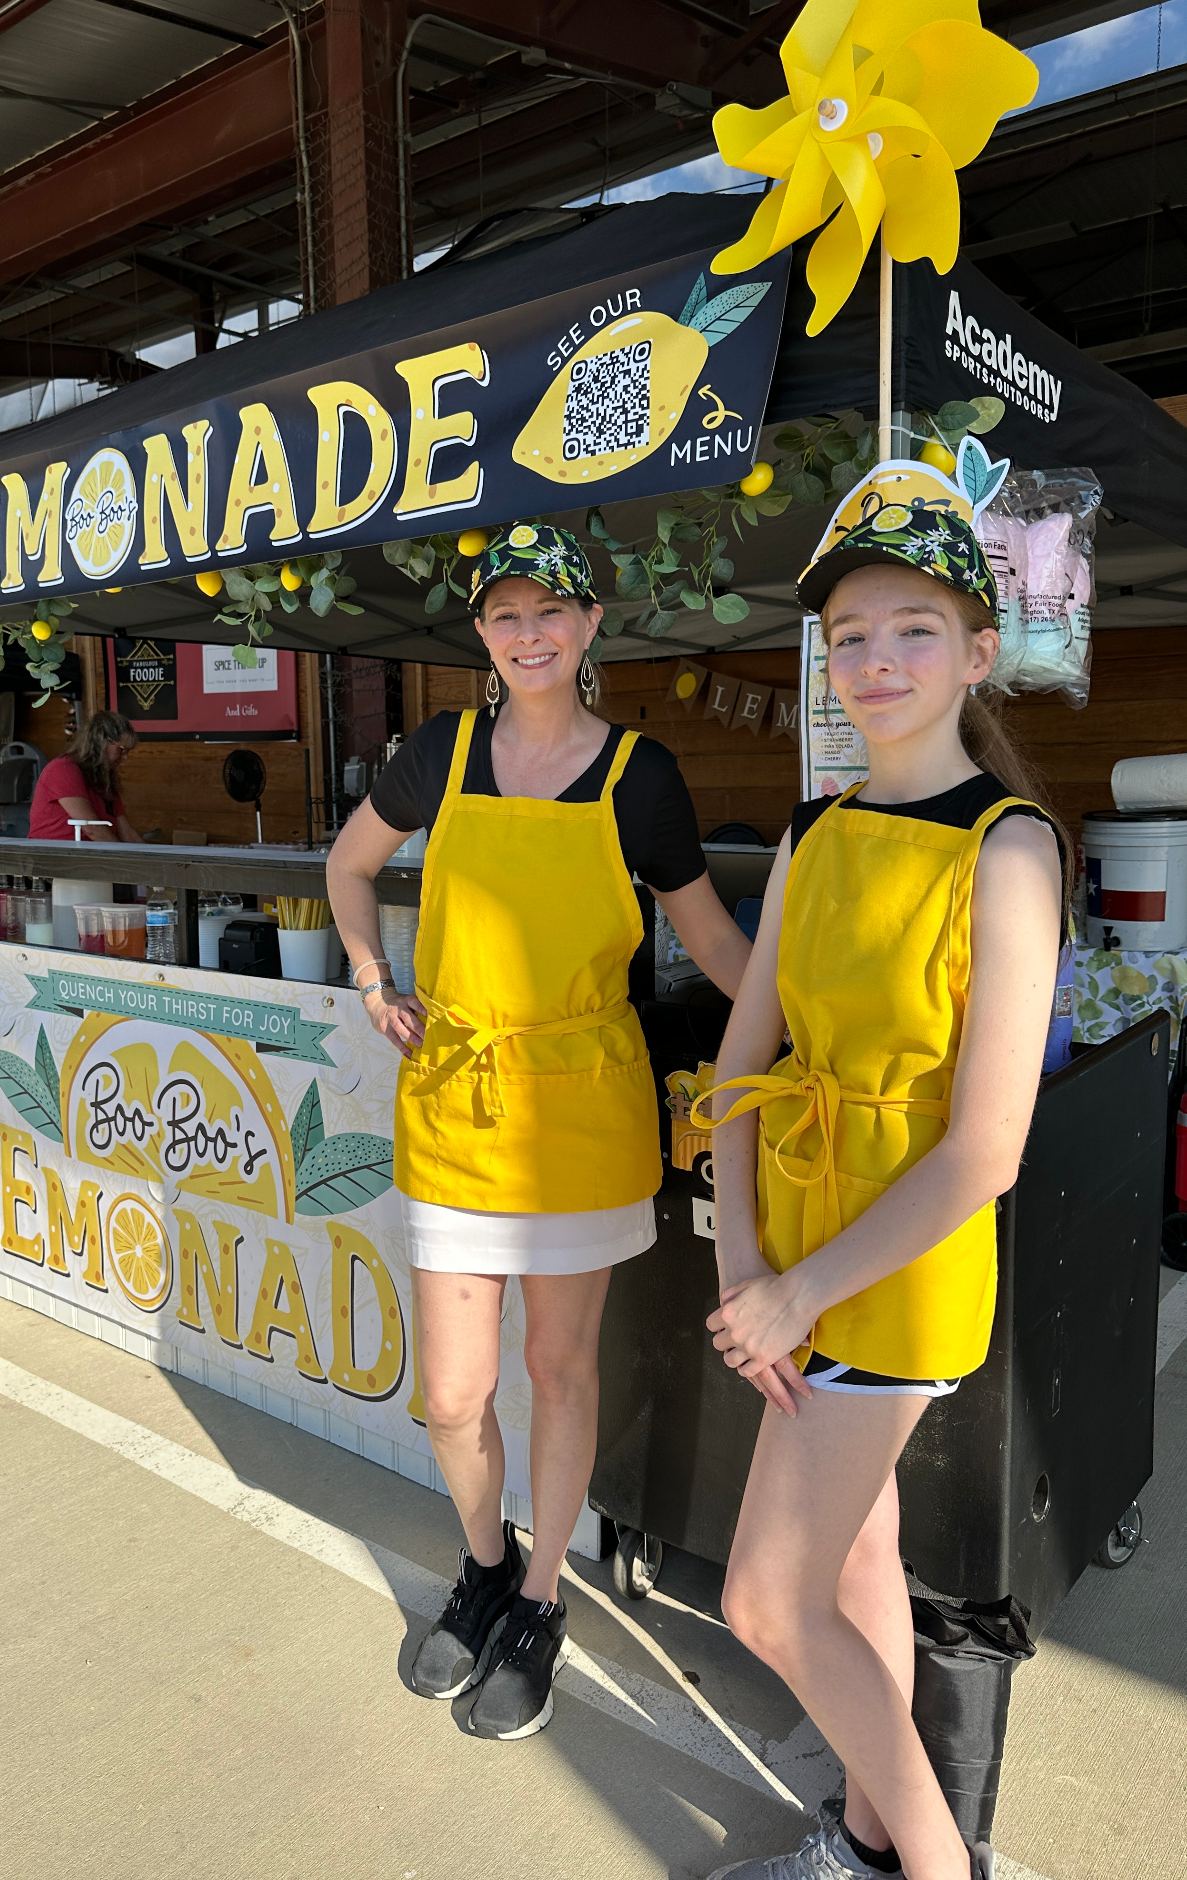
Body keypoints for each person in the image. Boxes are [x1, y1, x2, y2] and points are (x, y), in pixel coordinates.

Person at [327, 523, 750, 1740]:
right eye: (506, 614)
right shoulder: (437, 754)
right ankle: (485, 1561)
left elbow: (713, 940)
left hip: (581, 1104)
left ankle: (541, 1597)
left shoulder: (641, 777)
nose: (530, 633)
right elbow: (349, 867)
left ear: (590, 624)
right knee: (454, 1395)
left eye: (551, 610)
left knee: (561, 1372)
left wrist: (814, 1028)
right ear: (481, 632)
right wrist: (372, 979)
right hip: (458, 1101)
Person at [696, 496, 1067, 1880]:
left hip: (894, 1275)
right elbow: (742, 1061)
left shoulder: (1010, 847)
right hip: (792, 1256)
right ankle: (864, 1843)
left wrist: (793, 1294)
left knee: (765, 1602)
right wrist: (743, 1267)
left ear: (977, 653)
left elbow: (986, 1151)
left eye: (914, 629)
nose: (875, 659)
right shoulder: (818, 831)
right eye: (849, 635)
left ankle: (935, 1866)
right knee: (854, 1565)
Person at [29, 710, 142, 842]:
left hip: (86, 851)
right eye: (121, 750)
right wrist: (122, 855)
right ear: (101, 743)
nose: (125, 757)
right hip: (54, 852)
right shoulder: (62, 769)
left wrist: (150, 854)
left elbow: (127, 832)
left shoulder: (105, 778)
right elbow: (92, 829)